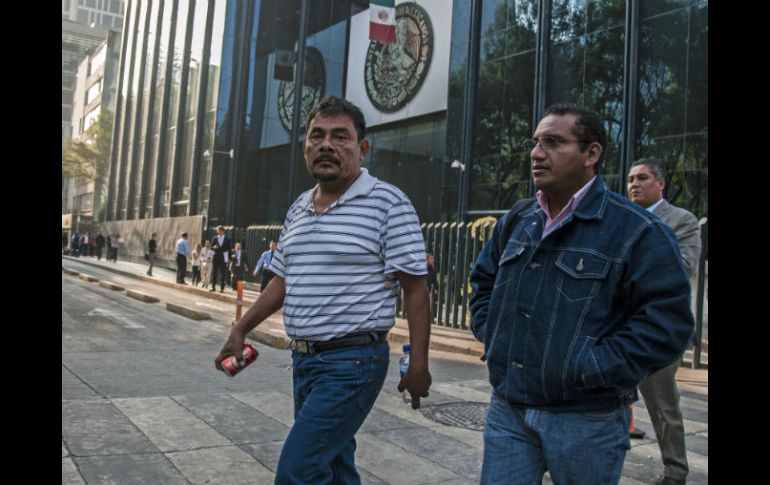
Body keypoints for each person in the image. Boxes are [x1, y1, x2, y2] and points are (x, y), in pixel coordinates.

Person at [469, 103, 694, 485]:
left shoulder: (639, 231)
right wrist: (496, 335)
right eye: (536, 142)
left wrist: (590, 368)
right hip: (509, 407)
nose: (537, 153)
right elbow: (484, 282)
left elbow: (667, 326)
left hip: (586, 417)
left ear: (592, 154)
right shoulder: (518, 220)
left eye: (554, 142)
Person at [215, 96, 432, 485]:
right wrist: (240, 328)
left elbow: (416, 289)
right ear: (305, 146)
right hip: (305, 361)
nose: (326, 145)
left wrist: (418, 363)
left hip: (353, 363)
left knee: (298, 470)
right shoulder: (298, 207)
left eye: (340, 136)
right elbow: (281, 279)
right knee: (333, 467)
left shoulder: (388, 203)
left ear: (362, 148)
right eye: (317, 135)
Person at [628, 158, 701, 485]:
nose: (634, 184)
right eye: (630, 179)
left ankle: (675, 470)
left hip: (660, 330)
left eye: (642, 178)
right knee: (606, 398)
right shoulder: (621, 217)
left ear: (660, 183)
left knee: (662, 406)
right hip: (619, 326)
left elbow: (682, 268)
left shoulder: (682, 221)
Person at [210, 225, 232, 293]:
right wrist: (214, 247)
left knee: (223, 274)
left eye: (219, 230)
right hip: (216, 257)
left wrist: (229, 259)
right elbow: (211, 247)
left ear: (222, 231)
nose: (218, 232)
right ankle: (213, 287)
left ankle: (222, 288)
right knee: (214, 273)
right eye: (217, 230)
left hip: (224, 257)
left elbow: (229, 249)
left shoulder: (227, 239)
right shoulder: (214, 238)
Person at [425, 250, 438, 321]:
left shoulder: (432, 270)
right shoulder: (422, 268)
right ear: (427, 259)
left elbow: (434, 280)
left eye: (433, 258)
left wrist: (436, 288)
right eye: (431, 258)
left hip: (428, 290)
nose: (432, 260)